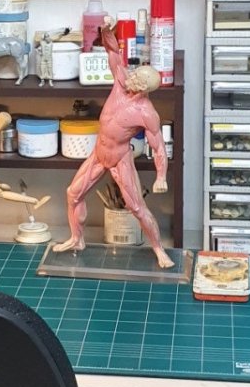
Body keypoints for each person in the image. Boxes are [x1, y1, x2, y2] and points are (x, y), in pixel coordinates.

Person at [54, 19, 172, 269]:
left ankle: (159, 250)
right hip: (98, 154)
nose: (132, 77)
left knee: (136, 208)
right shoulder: (121, 83)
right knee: (73, 194)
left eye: (137, 78)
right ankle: (77, 239)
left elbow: (159, 147)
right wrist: (106, 31)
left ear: (144, 87)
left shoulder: (146, 113)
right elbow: (112, 51)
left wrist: (161, 176)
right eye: (135, 74)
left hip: (120, 158)